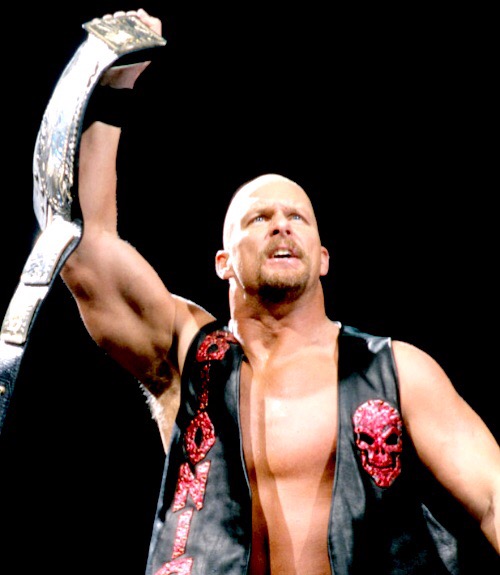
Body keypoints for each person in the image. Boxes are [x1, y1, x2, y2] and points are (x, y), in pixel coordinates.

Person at [60, 8, 500, 575]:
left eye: (297, 217)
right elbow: (86, 250)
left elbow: (493, 497)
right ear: (223, 262)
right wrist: (111, 82)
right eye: (258, 218)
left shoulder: (398, 371)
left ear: (323, 258)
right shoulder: (186, 355)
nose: (280, 226)